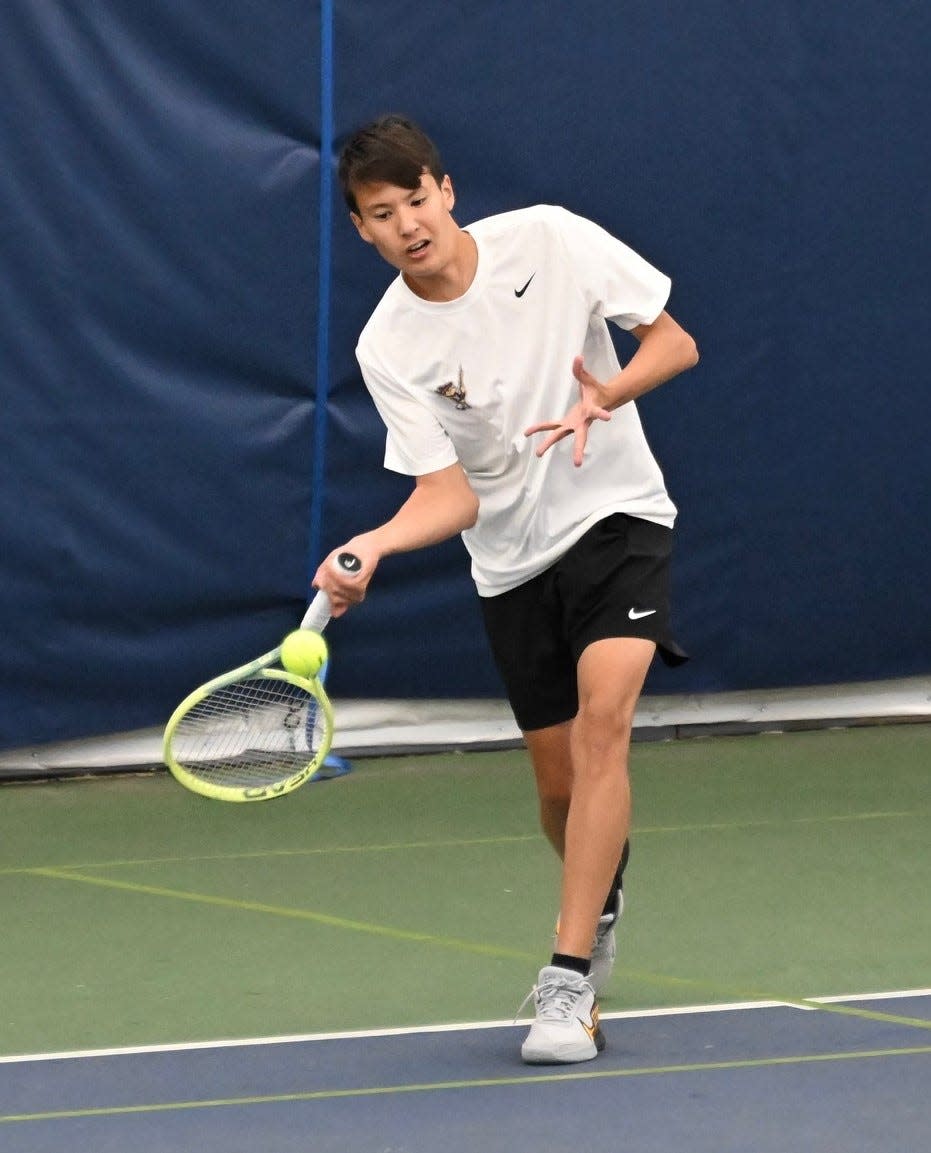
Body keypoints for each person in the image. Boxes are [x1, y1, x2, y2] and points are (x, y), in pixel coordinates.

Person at [314, 114, 698, 1064]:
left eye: (414, 199)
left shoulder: (549, 238)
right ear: (361, 231)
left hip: (616, 515)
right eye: (379, 212)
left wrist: (605, 395)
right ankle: (597, 893)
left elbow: (672, 342)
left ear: (445, 190)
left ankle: (568, 980)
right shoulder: (389, 346)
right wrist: (375, 541)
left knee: (606, 722)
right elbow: (446, 495)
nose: (406, 223)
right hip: (512, 562)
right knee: (559, 784)